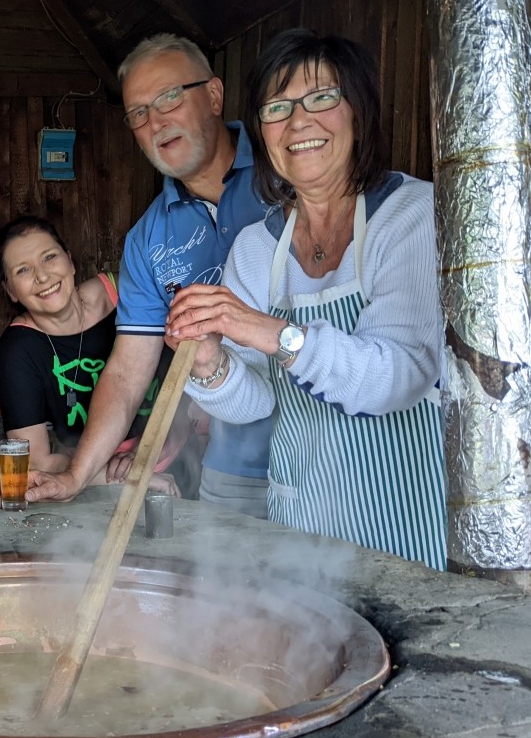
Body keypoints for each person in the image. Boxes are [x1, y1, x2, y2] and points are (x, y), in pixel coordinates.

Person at [166, 29, 446, 570]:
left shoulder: (411, 214)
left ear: (359, 112)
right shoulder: (257, 248)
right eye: (278, 108)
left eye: (321, 98)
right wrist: (208, 364)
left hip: (407, 525)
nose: (299, 122)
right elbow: (255, 404)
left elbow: (399, 377)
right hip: (302, 526)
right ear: (263, 133)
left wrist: (271, 332)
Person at [26, 33, 273, 515]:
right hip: (232, 471)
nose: (155, 121)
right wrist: (77, 475)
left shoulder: (289, 173)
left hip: (333, 456)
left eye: (169, 97)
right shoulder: (148, 239)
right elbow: (125, 373)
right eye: (138, 113)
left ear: (215, 95)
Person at [0, 216, 198, 498]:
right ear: (10, 290)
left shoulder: (132, 295)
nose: (42, 276)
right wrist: (128, 478)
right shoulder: (18, 350)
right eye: (23, 270)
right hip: (96, 483)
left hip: (185, 457)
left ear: (70, 260)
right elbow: (36, 461)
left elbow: (193, 365)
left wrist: (161, 440)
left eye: (49, 257)